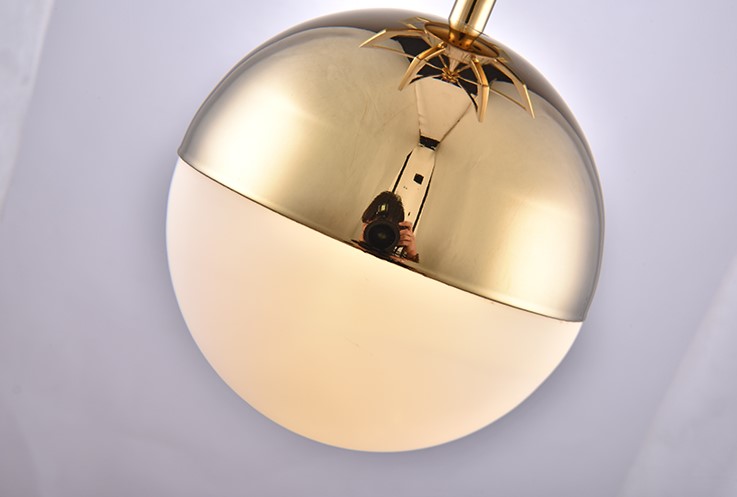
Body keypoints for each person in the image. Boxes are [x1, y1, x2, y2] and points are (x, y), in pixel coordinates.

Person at [359, 191, 419, 263]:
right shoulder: (349, 250)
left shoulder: (395, 262)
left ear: (398, 234)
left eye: (387, 230)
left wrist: (411, 254)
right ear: (366, 222)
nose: (381, 235)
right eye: (378, 226)